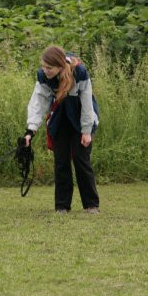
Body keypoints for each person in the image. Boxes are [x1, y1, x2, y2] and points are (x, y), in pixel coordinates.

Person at [24, 45, 100, 214]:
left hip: (81, 119)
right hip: (59, 119)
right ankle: (62, 206)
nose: (45, 70)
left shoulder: (79, 72)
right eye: (43, 66)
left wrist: (86, 131)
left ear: (59, 65)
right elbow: (38, 103)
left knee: (81, 160)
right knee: (61, 163)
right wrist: (30, 130)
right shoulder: (43, 77)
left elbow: (87, 104)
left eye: (49, 68)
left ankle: (91, 204)